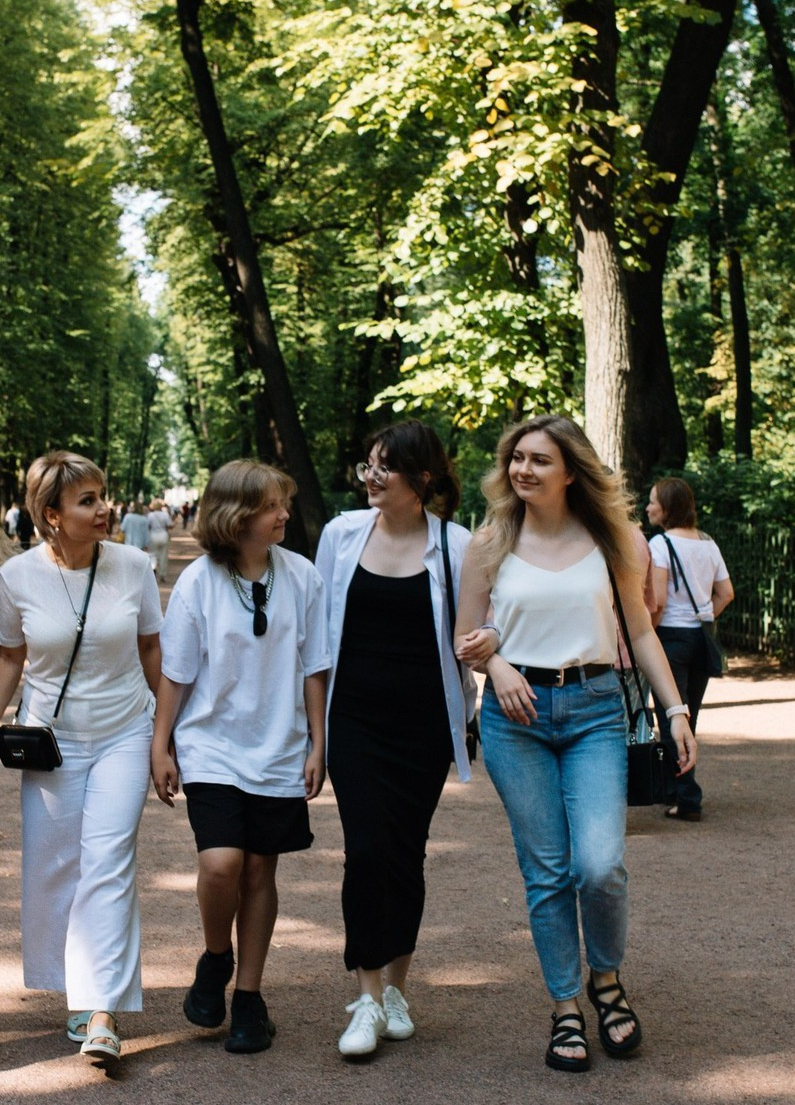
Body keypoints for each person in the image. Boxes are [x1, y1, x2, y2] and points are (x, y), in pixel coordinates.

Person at [453, 414, 697, 1072]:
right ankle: (566, 1006)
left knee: (600, 865)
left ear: (571, 471)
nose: (523, 470)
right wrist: (496, 666)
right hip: (516, 718)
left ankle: (607, 980)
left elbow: (642, 631)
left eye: (538, 459)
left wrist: (675, 710)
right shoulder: (490, 542)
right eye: (517, 458)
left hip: (592, 710)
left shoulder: (611, 538)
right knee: (548, 871)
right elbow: (465, 636)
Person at [0, 452, 162, 1068]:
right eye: (88, 501)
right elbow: (10, 656)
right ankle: (78, 993)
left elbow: (150, 649)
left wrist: (164, 737)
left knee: (109, 860)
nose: (104, 508)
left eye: (102, 496)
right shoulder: (18, 578)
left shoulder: (134, 566)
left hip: (123, 734)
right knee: (58, 866)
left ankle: (104, 1009)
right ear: (51, 515)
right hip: (51, 741)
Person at [314, 419, 483, 1058]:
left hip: (424, 727)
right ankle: (364, 995)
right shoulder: (339, 535)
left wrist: (489, 644)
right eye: (369, 463)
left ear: (425, 479)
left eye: (386, 466)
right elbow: (318, 634)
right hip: (354, 720)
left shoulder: (457, 544)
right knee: (366, 848)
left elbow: (481, 627)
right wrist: (313, 731)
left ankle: (395, 991)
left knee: (404, 852)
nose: (372, 476)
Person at [152, 461, 329, 1055]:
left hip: (279, 748)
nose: (285, 514)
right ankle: (215, 957)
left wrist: (317, 743)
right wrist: (163, 743)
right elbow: (176, 673)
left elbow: (313, 666)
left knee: (260, 871)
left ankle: (249, 999)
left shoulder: (301, 577)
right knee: (222, 864)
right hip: (210, 747)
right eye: (274, 506)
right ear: (238, 515)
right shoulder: (200, 581)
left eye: (285, 503)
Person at [646, 478, 734, 822]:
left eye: (653, 502)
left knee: (670, 715)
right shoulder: (708, 543)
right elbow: (726, 593)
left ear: (667, 508)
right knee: (688, 716)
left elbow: (659, 601)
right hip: (702, 635)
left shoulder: (660, 544)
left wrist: (647, 638)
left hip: (671, 637)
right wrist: (704, 616)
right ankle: (674, 787)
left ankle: (687, 797)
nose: (648, 507)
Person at [147, 499, 173, 581]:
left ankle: (153, 570)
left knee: (153, 555)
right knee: (163, 556)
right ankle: (162, 574)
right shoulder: (165, 515)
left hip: (153, 535)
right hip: (163, 535)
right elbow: (170, 526)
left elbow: (148, 526)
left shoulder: (150, 515)